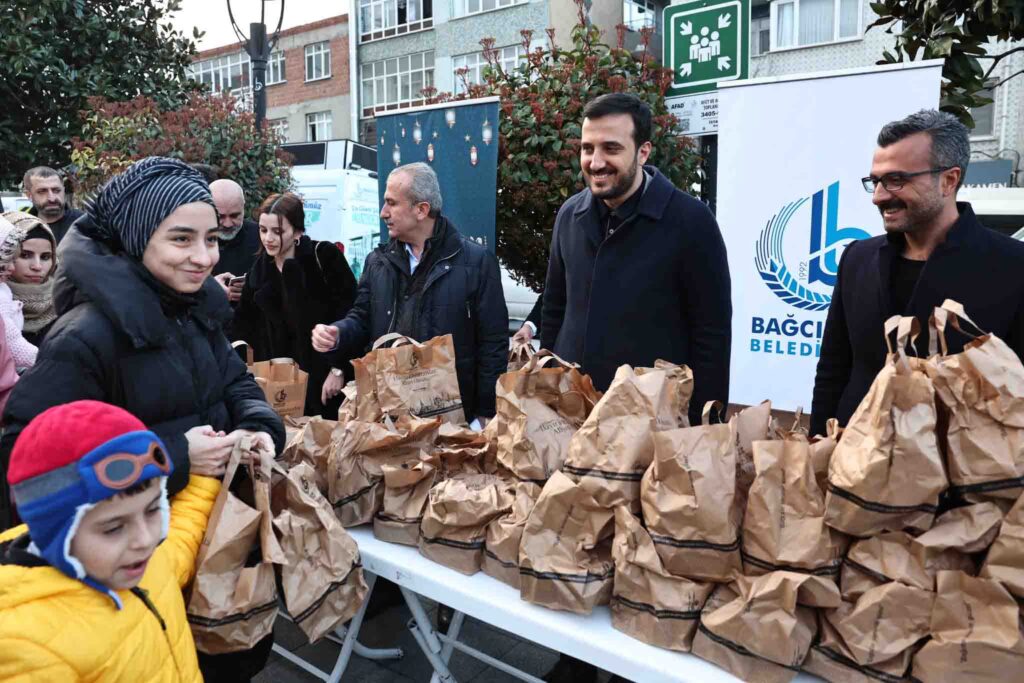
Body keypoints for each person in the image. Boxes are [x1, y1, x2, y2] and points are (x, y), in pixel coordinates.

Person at [0, 156, 285, 531]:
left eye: (211, 239)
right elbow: (28, 475)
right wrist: (170, 456)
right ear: (136, 237)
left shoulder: (193, 312)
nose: (204, 258)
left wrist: (257, 428)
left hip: (206, 544)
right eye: (181, 238)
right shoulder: (84, 338)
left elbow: (236, 383)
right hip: (130, 567)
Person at [810, 109, 1024, 435]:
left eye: (896, 180)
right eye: (876, 181)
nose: (879, 196)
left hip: (961, 476)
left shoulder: (1013, 266)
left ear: (948, 180)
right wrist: (818, 453)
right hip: (853, 471)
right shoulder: (857, 258)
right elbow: (833, 371)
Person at [542, 93, 732, 426]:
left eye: (611, 148)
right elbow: (554, 308)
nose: (596, 162)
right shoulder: (569, 215)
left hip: (652, 423)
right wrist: (546, 389)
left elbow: (712, 334)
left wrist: (703, 424)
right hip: (572, 415)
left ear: (643, 152)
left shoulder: (691, 221)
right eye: (588, 149)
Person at [0, 400, 223, 682]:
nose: (146, 539)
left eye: (154, 509)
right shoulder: (25, 650)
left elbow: (182, 540)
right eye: (114, 528)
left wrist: (205, 479)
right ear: (56, 533)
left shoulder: (141, 561)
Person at [311, 162, 508, 424]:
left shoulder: (476, 263)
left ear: (421, 210)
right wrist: (338, 333)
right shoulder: (377, 262)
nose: (383, 213)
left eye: (391, 203)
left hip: (452, 419)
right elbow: (362, 317)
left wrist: (484, 414)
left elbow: (493, 344)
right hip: (388, 415)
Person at [231, 192, 358, 418]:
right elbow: (244, 328)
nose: (268, 238)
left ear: (298, 231)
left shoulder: (324, 257)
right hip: (280, 388)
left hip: (325, 384)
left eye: (278, 231)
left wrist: (340, 368)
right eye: (263, 230)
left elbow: (352, 315)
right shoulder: (259, 271)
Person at [2, 212, 58, 346]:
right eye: (25, 255)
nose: (37, 266)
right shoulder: (3, 303)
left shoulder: (64, 302)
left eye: (45, 257)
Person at [210, 179, 261, 306]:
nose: (227, 224)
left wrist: (254, 289)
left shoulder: (262, 236)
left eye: (234, 216)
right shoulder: (189, 240)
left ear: (244, 207)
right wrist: (209, 288)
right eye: (220, 217)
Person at [0, 216, 39, 373]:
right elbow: (13, 344)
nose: (12, 268)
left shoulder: (3, 289)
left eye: (14, 260)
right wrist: (44, 361)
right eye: (6, 260)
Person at [22, 166, 84, 244]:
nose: (52, 198)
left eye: (56, 190)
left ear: (63, 191)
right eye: (42, 191)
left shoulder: (84, 223)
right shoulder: (20, 229)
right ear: (29, 195)